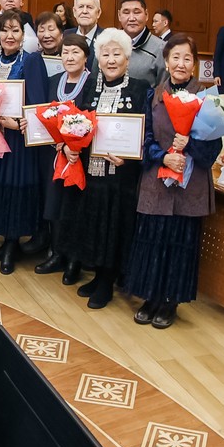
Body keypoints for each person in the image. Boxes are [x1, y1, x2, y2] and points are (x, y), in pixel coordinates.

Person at [127, 34, 223, 329]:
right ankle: (150, 297)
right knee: (152, 240)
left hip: (190, 186)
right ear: (166, 62)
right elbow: (143, 140)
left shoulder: (207, 99)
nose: (181, 64)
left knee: (180, 242)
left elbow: (213, 149)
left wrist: (189, 145)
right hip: (157, 181)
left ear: (195, 65)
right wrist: (163, 157)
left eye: (187, 58)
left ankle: (170, 303)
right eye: (176, 57)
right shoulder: (152, 95)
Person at [53, 29, 149, 309]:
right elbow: (78, 122)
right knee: (94, 223)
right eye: (105, 54)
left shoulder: (140, 88)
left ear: (127, 59)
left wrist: (129, 158)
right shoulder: (92, 85)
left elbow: (145, 131)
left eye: (116, 54)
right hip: (91, 171)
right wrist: (70, 145)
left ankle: (107, 281)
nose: (110, 59)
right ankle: (97, 275)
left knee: (114, 225)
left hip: (121, 175)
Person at [0, 10, 49, 274]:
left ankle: (13, 244)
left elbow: (38, 102)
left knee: (16, 186)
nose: (9, 35)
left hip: (18, 139)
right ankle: (4, 239)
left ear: (23, 35)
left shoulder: (32, 61)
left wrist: (17, 123)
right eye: (4, 30)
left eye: (15, 30)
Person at [34, 33, 92, 284]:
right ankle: (57, 253)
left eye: (75, 52)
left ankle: (74, 260)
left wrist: (75, 147)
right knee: (55, 202)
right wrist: (61, 143)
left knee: (76, 207)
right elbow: (47, 115)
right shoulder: (54, 80)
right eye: (65, 52)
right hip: (57, 153)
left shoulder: (93, 82)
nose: (70, 57)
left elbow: (93, 116)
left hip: (83, 156)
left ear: (86, 57)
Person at [116, 0, 166, 87]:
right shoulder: (110, 44)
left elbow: (162, 90)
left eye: (137, 12)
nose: (131, 18)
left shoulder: (161, 48)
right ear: (119, 16)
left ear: (146, 15)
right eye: (126, 12)